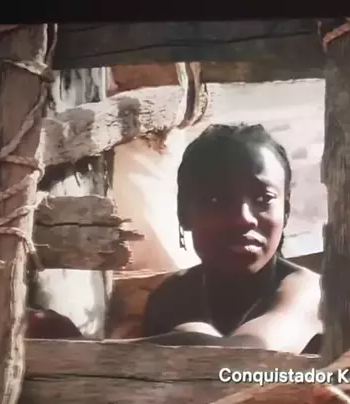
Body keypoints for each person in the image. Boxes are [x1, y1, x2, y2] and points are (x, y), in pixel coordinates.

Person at [137, 123, 322, 354]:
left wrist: (188, 335)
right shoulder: (169, 299)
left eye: (264, 198)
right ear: (184, 213)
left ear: (285, 211)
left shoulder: (309, 293)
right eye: (216, 200)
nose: (243, 219)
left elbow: (250, 355)